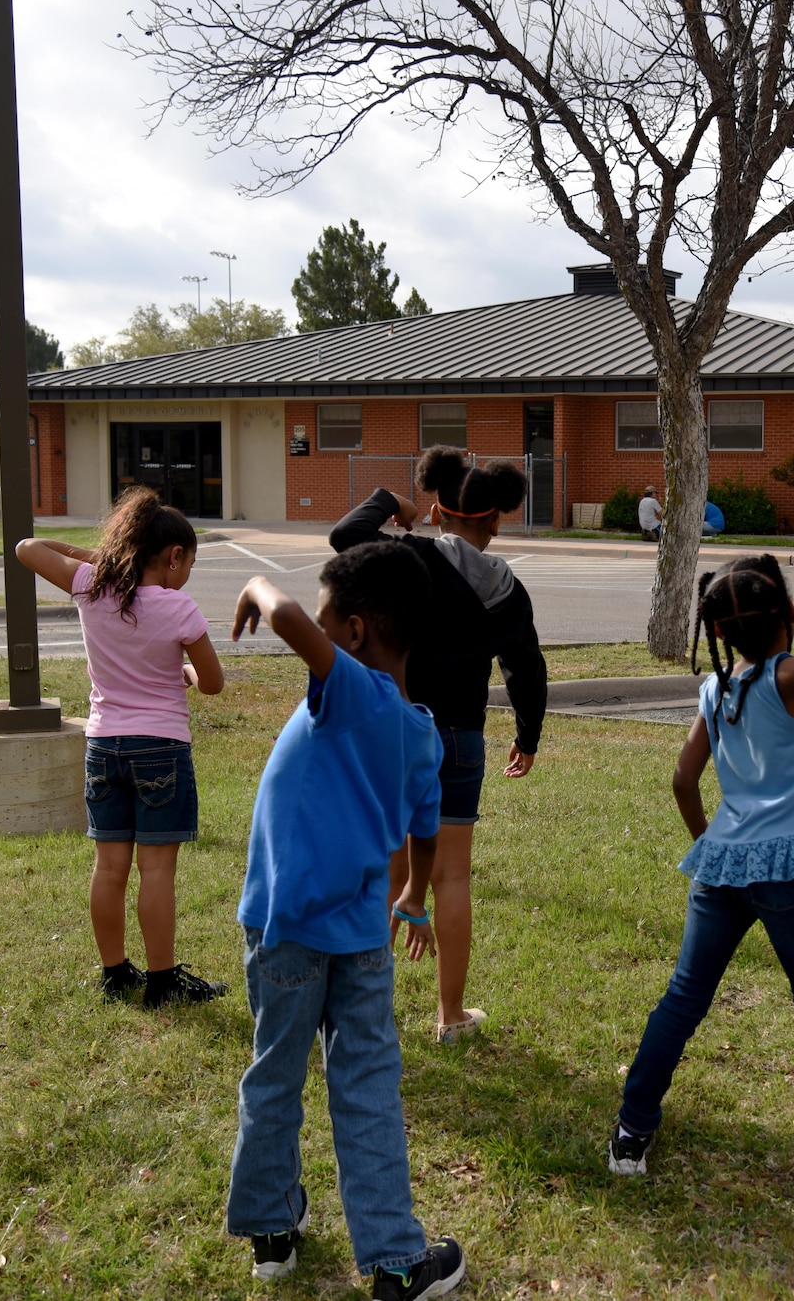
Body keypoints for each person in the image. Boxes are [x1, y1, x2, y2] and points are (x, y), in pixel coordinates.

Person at [607, 522, 794, 1203]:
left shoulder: (716, 689)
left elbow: (682, 779)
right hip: (784, 873)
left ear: (719, 633)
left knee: (684, 996)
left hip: (723, 864)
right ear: (786, 617)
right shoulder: (787, 678)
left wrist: (713, 847)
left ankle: (631, 1131)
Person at [227, 543, 466, 1298]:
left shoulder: (350, 690)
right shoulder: (421, 731)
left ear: (355, 632)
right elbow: (424, 831)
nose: (320, 632)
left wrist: (255, 586)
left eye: (332, 621)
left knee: (276, 1073)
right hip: (364, 937)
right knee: (365, 1086)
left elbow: (290, 616)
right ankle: (396, 1263)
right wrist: (415, 898)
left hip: (286, 929)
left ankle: (272, 1230)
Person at [330, 447, 548, 1042]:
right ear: (495, 519)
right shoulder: (508, 588)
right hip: (461, 738)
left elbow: (344, 535)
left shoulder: (409, 556)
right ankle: (450, 1017)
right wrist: (527, 734)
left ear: (436, 509)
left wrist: (389, 504)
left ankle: (361, 1015)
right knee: (452, 877)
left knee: (386, 871)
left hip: (392, 735)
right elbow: (525, 668)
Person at [16, 487, 227, 1008]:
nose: (187, 576)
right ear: (174, 556)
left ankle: (114, 973)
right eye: (188, 565)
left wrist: (104, 562)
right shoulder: (179, 607)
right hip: (160, 746)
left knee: (108, 868)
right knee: (157, 870)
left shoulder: (92, 587)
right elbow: (213, 683)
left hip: (103, 743)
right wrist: (186, 671)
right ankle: (161, 981)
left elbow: (27, 547)